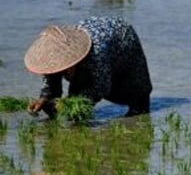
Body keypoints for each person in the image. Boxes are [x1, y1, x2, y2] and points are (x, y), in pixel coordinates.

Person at [24, 16, 152, 118]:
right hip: (94, 44)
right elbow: (51, 83)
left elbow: (101, 86)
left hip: (122, 38)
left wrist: (68, 103)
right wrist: (44, 98)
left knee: (138, 100)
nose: (61, 72)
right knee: (75, 100)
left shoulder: (97, 52)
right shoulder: (52, 54)